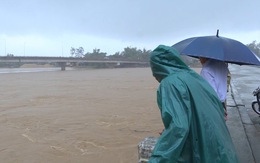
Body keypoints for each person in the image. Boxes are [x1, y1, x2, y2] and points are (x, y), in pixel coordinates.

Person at [148, 45, 239, 163]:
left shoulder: (170, 83)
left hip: (206, 152)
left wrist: (156, 160)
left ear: (157, 66)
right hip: (223, 149)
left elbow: (179, 127)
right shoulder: (194, 76)